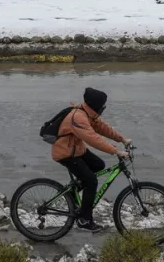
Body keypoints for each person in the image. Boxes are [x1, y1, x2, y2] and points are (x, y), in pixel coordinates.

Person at [51, 87, 131, 233]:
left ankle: (74, 190)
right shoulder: (79, 117)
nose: (103, 109)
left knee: (99, 165)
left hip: (77, 150)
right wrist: (116, 151)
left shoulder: (88, 113)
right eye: (102, 107)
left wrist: (122, 139)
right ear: (96, 106)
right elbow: (93, 139)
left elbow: (103, 128)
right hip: (66, 153)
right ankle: (85, 219)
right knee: (91, 181)